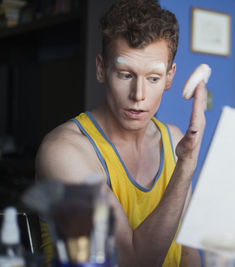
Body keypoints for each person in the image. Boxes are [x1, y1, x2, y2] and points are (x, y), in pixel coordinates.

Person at [35, 0, 205, 266]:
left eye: (153, 78)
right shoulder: (64, 152)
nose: (138, 95)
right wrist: (185, 167)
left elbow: (188, 255)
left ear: (170, 77)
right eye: (126, 75)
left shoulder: (174, 140)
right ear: (102, 69)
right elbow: (132, 262)